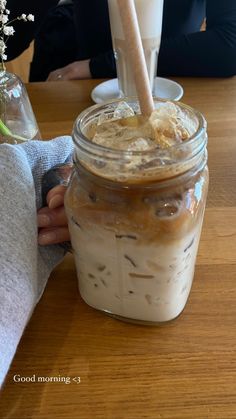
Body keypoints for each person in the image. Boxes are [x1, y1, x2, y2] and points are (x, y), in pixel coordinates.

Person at [6, 0, 236, 80]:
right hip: (89, 98)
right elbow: (6, 43)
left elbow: (229, 47)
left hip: (177, 88)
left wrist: (99, 66)